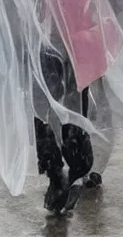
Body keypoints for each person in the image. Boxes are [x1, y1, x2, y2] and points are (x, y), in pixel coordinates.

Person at [34, 44, 94, 214]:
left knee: (43, 107)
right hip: (77, 46)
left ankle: (56, 176)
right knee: (74, 103)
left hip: (48, 46)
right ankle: (75, 168)